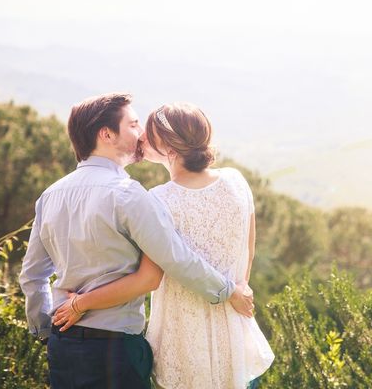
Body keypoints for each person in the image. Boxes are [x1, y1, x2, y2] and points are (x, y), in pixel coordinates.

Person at [19, 93, 254, 389]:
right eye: (132, 124)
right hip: (114, 350)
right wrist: (228, 290)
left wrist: (46, 329)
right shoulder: (128, 195)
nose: (141, 133)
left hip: (63, 346)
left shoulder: (50, 195)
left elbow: (31, 275)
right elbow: (176, 258)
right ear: (106, 134)